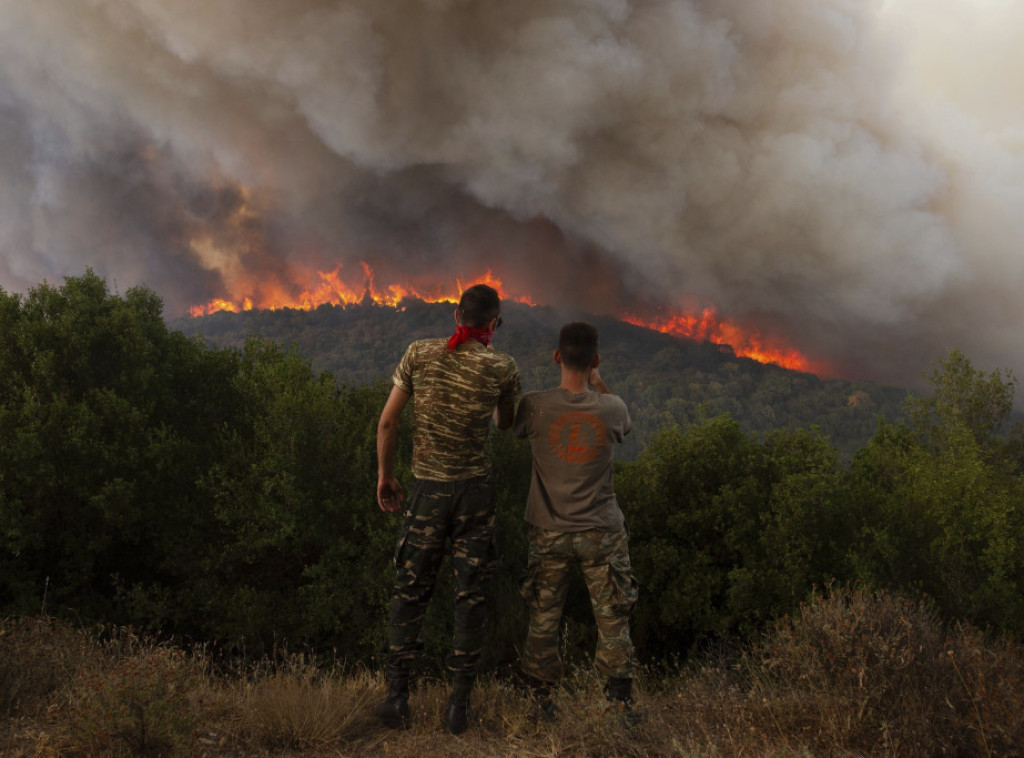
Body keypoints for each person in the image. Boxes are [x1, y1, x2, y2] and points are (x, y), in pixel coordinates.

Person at [374, 283, 521, 735]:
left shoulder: (418, 353)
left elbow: (387, 420)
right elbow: (506, 422)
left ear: (457, 315)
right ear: (493, 324)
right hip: (475, 493)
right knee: (470, 595)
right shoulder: (502, 365)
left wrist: (385, 475)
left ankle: (398, 700)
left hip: (427, 491)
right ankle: (458, 708)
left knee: (410, 591)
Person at [513, 321, 644, 724]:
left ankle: (540, 705)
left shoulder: (533, 406)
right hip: (601, 532)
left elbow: (511, 427)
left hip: (549, 531)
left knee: (543, 615)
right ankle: (619, 706)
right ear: (595, 361)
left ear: (556, 357)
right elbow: (628, 427)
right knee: (612, 616)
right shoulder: (612, 407)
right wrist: (599, 384)